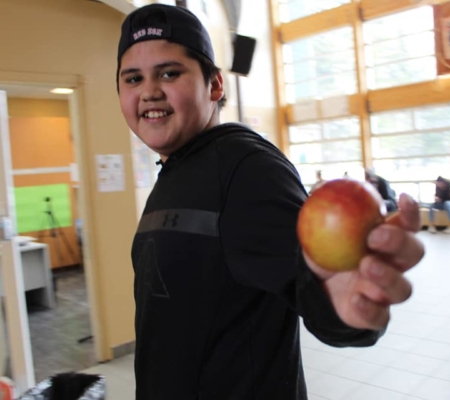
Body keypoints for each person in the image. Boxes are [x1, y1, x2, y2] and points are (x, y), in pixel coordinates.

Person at [116, 4, 425, 399]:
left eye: (169, 73)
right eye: (133, 79)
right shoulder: (177, 169)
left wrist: (340, 303)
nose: (149, 91)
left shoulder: (245, 168)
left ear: (214, 85)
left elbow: (311, 282)